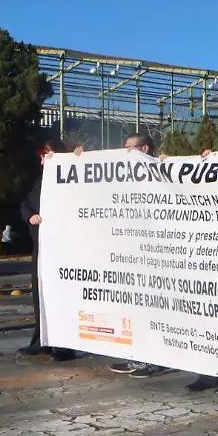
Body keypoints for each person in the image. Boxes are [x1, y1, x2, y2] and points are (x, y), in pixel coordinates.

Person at [78, 134, 173, 380]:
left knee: (156, 312)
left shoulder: (162, 169)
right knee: (134, 313)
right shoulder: (124, 175)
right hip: (131, 256)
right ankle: (136, 357)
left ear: (144, 148)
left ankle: (156, 360)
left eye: (130, 148)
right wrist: (77, 160)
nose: (125, 152)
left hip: (156, 256)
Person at [19, 138, 75, 361]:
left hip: (62, 247)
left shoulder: (71, 177)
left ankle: (64, 346)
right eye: (43, 155)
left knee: (62, 295)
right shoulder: (40, 180)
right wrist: (29, 215)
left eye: (49, 154)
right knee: (39, 294)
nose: (45, 159)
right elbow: (25, 202)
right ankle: (41, 339)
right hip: (41, 246)